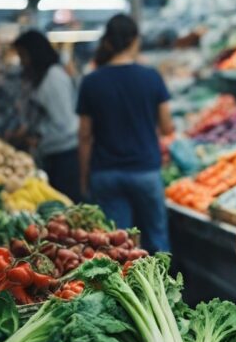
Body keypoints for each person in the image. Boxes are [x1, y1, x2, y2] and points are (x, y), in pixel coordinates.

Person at [76, 14, 173, 252]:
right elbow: (167, 127)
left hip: (106, 173)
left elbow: (85, 136)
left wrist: (83, 177)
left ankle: (123, 288)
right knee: (156, 238)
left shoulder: (91, 81)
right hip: (145, 171)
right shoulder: (151, 77)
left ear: (107, 41)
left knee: (118, 245)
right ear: (134, 40)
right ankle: (163, 288)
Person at [11, 30, 80, 201]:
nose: (21, 61)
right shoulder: (41, 78)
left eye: (22, 55)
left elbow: (64, 123)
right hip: (53, 153)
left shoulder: (54, 78)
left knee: (65, 204)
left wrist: (38, 136)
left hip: (65, 156)